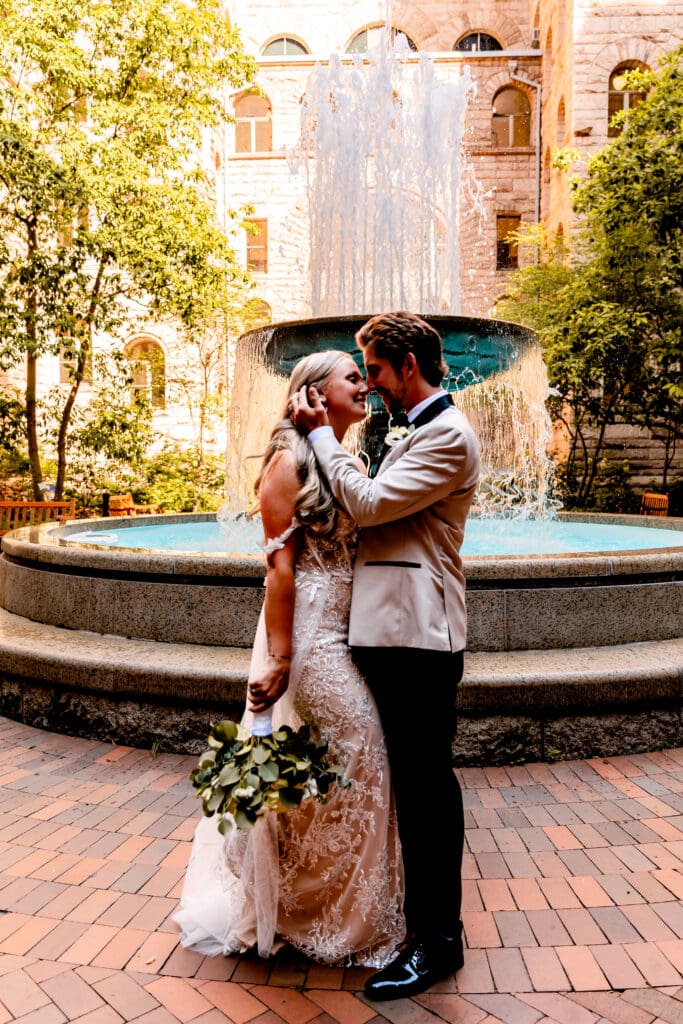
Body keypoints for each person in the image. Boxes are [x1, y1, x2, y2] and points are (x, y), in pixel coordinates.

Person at [174, 350, 405, 967]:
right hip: (311, 642)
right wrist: (278, 659)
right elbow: (278, 572)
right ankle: (322, 913)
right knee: (364, 756)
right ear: (313, 393)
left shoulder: (346, 457)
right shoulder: (286, 463)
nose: (365, 384)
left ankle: (314, 903)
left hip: (348, 636)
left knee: (341, 772)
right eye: (352, 376)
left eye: (366, 374)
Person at [290, 311, 481, 1000]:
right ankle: (425, 931)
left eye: (373, 370)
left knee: (428, 791)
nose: (369, 384)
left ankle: (438, 943)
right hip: (392, 635)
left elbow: (369, 506)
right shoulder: (418, 428)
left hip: (420, 639)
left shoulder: (449, 436)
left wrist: (320, 439)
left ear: (407, 366)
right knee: (415, 788)